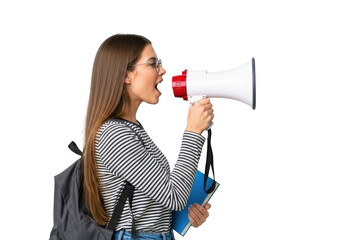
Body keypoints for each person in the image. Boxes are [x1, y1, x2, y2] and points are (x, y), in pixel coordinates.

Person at [83, 34, 214, 240]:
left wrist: (185, 215)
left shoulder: (130, 128)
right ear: (126, 75)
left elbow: (159, 198)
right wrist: (193, 131)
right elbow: (175, 196)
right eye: (153, 63)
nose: (162, 71)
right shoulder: (114, 134)